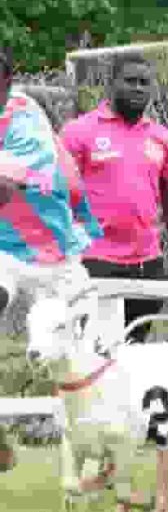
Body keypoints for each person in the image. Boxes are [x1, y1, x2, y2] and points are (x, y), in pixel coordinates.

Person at [0, 43, 104, 473]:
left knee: (84, 353)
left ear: (7, 84)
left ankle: (100, 451)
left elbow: (4, 190)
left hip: (54, 254)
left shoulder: (24, 119)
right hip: (5, 250)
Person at [61, 57, 168, 342]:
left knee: (132, 349)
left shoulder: (162, 138)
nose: (137, 88)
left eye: (144, 83)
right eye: (130, 81)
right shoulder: (79, 132)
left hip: (147, 264)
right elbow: (58, 196)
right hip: (93, 260)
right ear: (111, 84)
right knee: (96, 351)